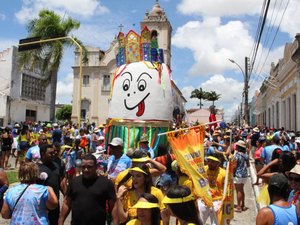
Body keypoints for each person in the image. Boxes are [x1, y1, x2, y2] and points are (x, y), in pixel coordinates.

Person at [58, 154, 117, 225]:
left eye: (89, 167)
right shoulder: (74, 182)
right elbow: (67, 203)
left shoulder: (106, 183)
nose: (86, 170)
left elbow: (113, 207)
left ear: (96, 167)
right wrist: (60, 221)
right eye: (83, 167)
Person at [37, 143, 65, 225]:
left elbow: (61, 182)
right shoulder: (37, 168)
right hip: (42, 207)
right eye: (50, 153)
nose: (54, 154)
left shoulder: (56, 165)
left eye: (54, 152)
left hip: (54, 205)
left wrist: (66, 196)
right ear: (42, 154)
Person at [197, 155, 225, 225]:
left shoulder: (224, 173)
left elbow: (227, 189)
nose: (210, 163)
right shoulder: (202, 170)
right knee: (199, 222)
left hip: (217, 202)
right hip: (203, 201)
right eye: (209, 161)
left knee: (216, 223)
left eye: (213, 162)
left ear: (218, 163)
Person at [233, 140, 249, 212]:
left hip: (238, 174)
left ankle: (239, 206)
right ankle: (243, 205)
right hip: (245, 174)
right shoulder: (246, 155)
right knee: (242, 190)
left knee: (238, 190)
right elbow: (248, 165)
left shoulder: (237, 155)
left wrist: (232, 173)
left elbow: (234, 166)